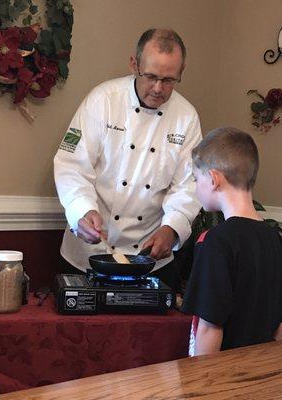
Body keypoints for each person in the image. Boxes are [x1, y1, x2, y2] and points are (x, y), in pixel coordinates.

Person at [54, 28, 202, 289]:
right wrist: (81, 210)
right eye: (151, 77)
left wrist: (173, 228)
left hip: (150, 259)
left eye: (169, 80)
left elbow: (189, 185)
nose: (158, 88)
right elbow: (71, 165)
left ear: (182, 72)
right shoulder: (102, 100)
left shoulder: (186, 117)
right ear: (134, 64)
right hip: (88, 255)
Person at [182, 127, 282, 355]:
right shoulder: (274, 239)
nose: (195, 187)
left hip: (222, 381)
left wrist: (202, 387)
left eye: (195, 179)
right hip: (262, 373)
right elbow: (281, 324)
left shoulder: (215, 242)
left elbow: (210, 328)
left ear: (213, 179)